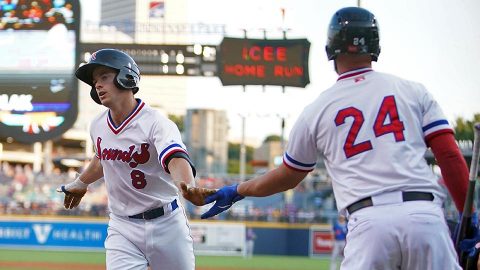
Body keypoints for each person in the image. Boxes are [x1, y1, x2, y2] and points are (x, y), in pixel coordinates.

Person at [199, 7, 471, 270]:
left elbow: (288, 176)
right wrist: (469, 218)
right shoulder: (413, 91)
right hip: (424, 215)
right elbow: (448, 156)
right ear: (375, 46)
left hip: (369, 223)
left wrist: (237, 190)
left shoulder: (316, 110)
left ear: (331, 48)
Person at [56, 48, 214, 270]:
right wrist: (81, 183)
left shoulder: (156, 122)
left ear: (126, 77)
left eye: (104, 77)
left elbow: (175, 158)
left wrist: (187, 185)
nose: (98, 85)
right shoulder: (98, 125)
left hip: (166, 224)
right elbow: (103, 157)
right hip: (122, 226)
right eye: (94, 81)